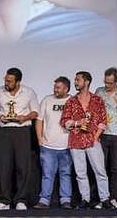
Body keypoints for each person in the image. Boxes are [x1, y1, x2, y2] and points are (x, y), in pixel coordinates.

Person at [60, 71, 114, 209]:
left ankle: (105, 198)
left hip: (93, 140)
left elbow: (103, 120)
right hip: (76, 140)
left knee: (100, 171)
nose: (75, 82)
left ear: (87, 82)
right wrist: (77, 123)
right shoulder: (71, 101)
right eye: (75, 80)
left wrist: (96, 137)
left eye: (78, 80)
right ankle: (85, 199)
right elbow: (64, 121)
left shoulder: (97, 100)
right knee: (80, 173)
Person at [0, 67, 39, 211]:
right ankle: (4, 200)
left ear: (18, 81)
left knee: (22, 167)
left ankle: (21, 200)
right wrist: (0, 116)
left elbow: (35, 112)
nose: (6, 83)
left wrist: (24, 117)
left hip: (22, 131)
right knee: (4, 166)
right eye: (6, 80)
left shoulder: (29, 92)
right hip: (4, 131)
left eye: (10, 81)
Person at [94, 67, 117, 207]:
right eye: (105, 82)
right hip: (101, 135)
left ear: (116, 81)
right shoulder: (99, 92)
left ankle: (113, 197)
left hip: (116, 136)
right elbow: (94, 113)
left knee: (115, 168)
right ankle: (102, 197)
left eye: (110, 83)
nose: (107, 85)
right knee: (100, 167)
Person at [34, 76, 73, 210]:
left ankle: (65, 200)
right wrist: (39, 138)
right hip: (48, 146)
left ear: (66, 88)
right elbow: (39, 120)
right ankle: (44, 200)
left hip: (67, 146)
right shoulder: (47, 100)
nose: (55, 90)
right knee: (47, 174)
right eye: (55, 87)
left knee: (65, 174)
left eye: (58, 87)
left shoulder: (73, 101)